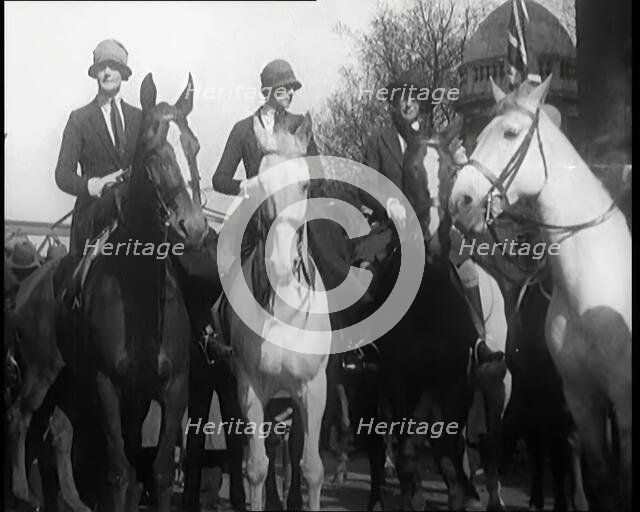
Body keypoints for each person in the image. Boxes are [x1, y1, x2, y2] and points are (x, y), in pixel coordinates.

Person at [362, 70, 504, 368]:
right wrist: (388, 203)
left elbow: (453, 177)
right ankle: (366, 346)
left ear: (421, 103)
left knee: (467, 268)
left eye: (413, 98)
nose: (407, 104)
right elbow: (365, 184)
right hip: (393, 225)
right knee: (365, 271)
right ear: (394, 104)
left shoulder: (438, 139)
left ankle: (477, 342)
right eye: (401, 98)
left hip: (435, 224)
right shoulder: (378, 139)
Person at [54, 39, 142, 259]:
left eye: (114, 67)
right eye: (102, 68)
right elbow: (62, 174)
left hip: (134, 220)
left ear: (123, 73)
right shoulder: (79, 119)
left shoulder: (140, 118)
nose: (108, 73)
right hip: (92, 222)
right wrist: (94, 185)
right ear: (95, 74)